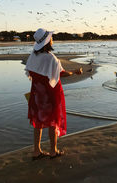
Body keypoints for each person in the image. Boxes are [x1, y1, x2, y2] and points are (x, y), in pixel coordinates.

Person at [25, 28, 82, 160]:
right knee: (53, 121)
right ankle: (53, 150)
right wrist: (74, 72)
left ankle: (36, 151)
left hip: (37, 94)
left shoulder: (33, 56)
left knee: (38, 122)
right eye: (51, 37)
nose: (52, 39)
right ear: (47, 41)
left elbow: (30, 72)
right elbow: (60, 74)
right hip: (51, 95)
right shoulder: (51, 59)